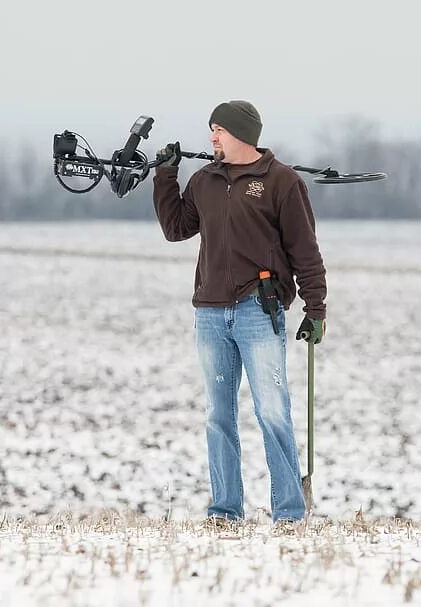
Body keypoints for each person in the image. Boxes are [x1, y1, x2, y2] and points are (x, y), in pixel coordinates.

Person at [152, 100, 326, 529]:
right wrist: (165, 175)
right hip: (210, 312)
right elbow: (176, 229)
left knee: (272, 412)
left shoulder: (281, 182)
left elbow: (306, 252)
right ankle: (225, 512)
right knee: (218, 415)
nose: (212, 137)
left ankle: (289, 514)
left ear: (242, 134)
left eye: (219, 130)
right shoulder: (204, 181)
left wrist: (315, 308)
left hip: (257, 311)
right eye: (211, 130)